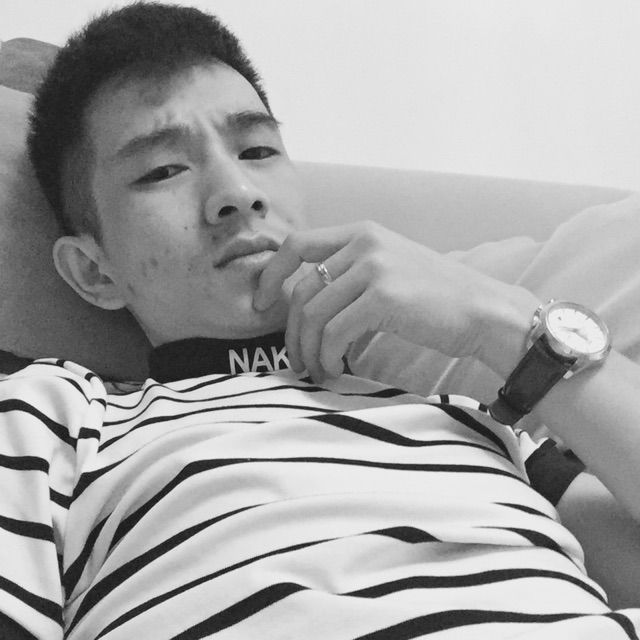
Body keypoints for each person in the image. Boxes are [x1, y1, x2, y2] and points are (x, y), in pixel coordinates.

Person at [1, 2, 638, 638]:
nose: (238, 194)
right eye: (164, 170)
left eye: (256, 150)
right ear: (94, 272)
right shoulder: (51, 416)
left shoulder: (472, 420)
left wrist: (501, 323)